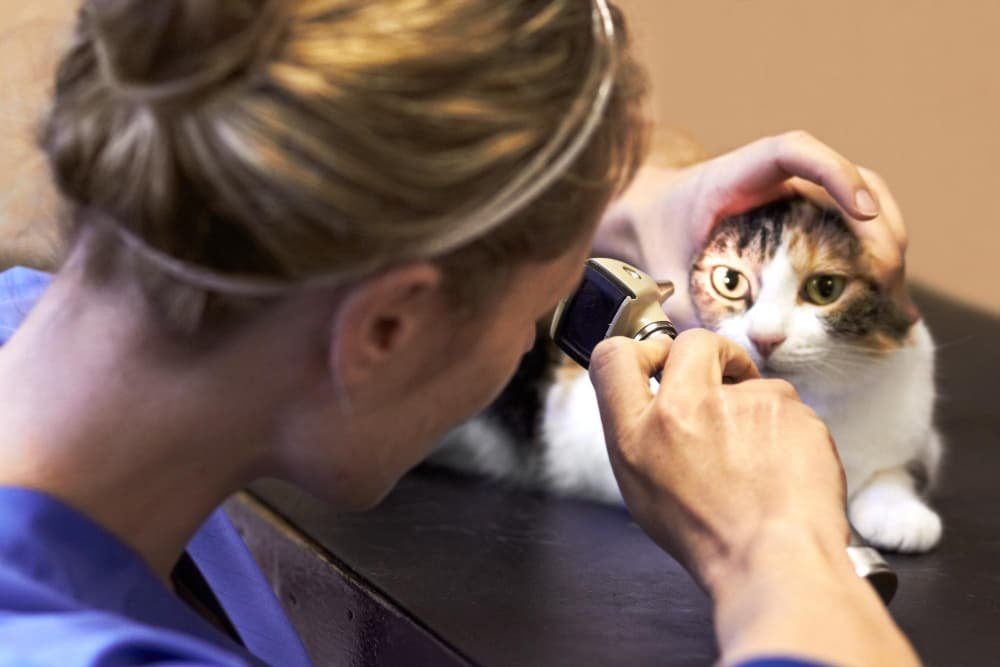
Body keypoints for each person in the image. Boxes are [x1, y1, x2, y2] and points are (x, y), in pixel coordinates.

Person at [0, 0, 919, 665]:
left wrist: (624, 205)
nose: (529, 341)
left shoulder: (48, 333)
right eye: (535, 316)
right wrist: (778, 551)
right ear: (387, 326)